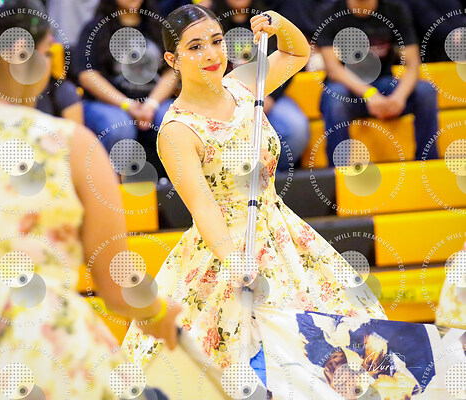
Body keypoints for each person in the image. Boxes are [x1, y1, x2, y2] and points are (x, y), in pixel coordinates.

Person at [123, 4, 386, 397]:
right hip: (227, 247)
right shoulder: (177, 131)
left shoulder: (243, 84)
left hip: (281, 231)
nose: (211, 54)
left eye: (216, 41)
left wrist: (279, 24)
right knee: (241, 361)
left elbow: (297, 52)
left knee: (338, 340)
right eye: (195, 47)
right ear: (172, 60)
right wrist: (235, 261)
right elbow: (203, 206)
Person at [0, 0, 181, 397]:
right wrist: (158, 313)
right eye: (47, 53)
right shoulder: (68, 143)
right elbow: (116, 284)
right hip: (41, 356)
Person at [317, 0, 440, 168]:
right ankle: (338, 173)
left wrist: (399, 97)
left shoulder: (395, 9)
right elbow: (333, 70)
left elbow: (413, 64)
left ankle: (427, 166)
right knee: (335, 98)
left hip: (385, 84)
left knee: (426, 91)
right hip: (349, 89)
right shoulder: (330, 12)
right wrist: (369, 94)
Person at [74, 0, 179, 177]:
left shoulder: (158, 25)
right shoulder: (95, 28)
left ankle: (177, 186)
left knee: (173, 121)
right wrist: (127, 105)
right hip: (106, 104)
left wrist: (151, 104)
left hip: (154, 101)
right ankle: (110, 187)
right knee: (119, 127)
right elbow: (87, 75)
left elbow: (173, 70)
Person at [210, 0, 311, 171]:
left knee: (296, 128)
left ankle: (272, 172)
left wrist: (270, 97)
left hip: (267, 93)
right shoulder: (212, 26)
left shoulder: (265, 22)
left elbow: (292, 56)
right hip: (227, 97)